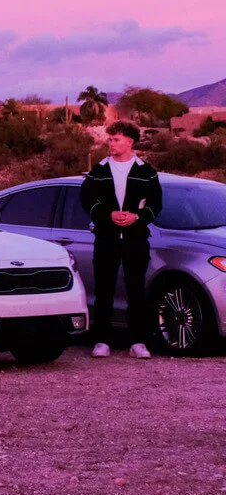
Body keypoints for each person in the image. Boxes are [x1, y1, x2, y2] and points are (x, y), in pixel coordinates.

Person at [80, 120, 163, 359]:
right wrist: (108, 215)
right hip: (106, 239)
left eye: (116, 139)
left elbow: (157, 204)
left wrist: (138, 217)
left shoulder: (146, 172)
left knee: (136, 289)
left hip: (135, 240)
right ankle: (101, 341)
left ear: (130, 141)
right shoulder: (99, 170)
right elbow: (87, 200)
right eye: (110, 139)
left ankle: (138, 342)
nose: (111, 143)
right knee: (104, 288)